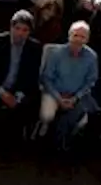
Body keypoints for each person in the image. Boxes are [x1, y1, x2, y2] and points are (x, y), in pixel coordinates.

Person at [38, 20, 97, 151]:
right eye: (76, 35)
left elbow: (90, 81)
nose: (78, 40)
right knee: (47, 115)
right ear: (69, 36)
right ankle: (44, 140)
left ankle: (61, 145)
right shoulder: (56, 53)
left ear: (87, 39)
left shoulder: (92, 57)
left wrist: (75, 98)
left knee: (75, 117)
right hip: (54, 93)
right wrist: (59, 98)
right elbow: (46, 78)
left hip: (76, 97)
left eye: (83, 37)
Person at [0, 10, 41, 131]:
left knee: (25, 109)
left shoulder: (35, 48)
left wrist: (17, 97)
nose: (20, 33)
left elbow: (32, 77)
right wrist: (3, 94)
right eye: (17, 28)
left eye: (25, 30)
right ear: (11, 27)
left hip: (19, 91)